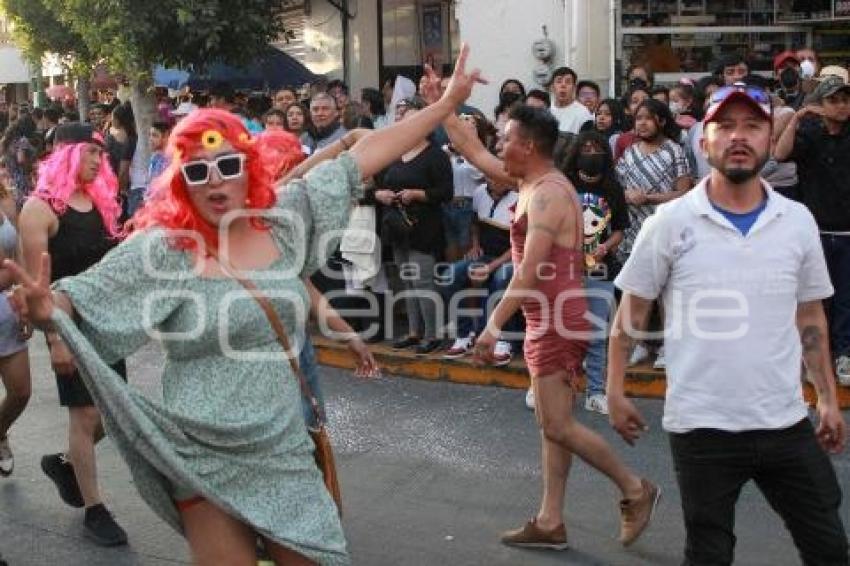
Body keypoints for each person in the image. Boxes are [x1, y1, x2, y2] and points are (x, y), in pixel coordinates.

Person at [7, 44, 484, 565]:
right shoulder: (164, 249)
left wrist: (445, 107)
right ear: (180, 183)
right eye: (196, 172)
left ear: (248, 167)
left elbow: (363, 157)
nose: (214, 181)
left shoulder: (284, 220)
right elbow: (83, 296)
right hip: (201, 453)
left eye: (227, 164)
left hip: (281, 448)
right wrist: (50, 310)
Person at [607, 83, 848, 566]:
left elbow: (808, 315)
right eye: (726, 126)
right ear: (704, 140)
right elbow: (631, 313)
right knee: (710, 550)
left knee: (828, 546)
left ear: (769, 137)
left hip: (783, 420)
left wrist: (825, 396)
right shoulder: (670, 222)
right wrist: (615, 389)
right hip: (702, 427)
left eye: (753, 126)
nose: (740, 137)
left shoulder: (797, 221)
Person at [431, 85, 659, 548]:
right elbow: (474, 150)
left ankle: (637, 489)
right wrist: (445, 101)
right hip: (550, 317)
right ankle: (550, 520)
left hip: (556, 319)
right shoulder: (533, 182)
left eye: (506, 139)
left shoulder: (548, 194)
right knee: (552, 424)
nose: (498, 145)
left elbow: (531, 271)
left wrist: (492, 327)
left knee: (556, 423)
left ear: (527, 146)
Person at [18, 122, 128, 546]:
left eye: (101, 154)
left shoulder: (101, 201)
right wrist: (55, 340)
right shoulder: (40, 209)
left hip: (108, 322)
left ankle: (66, 464)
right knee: (84, 415)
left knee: (112, 413)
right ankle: (94, 508)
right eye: (91, 153)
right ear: (66, 154)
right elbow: (36, 287)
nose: (99, 161)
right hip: (66, 324)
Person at [775, 75, 850, 385]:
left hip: (848, 231)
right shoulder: (808, 133)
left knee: (846, 298)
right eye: (834, 100)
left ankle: (844, 355)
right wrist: (796, 118)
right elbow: (779, 154)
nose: (842, 106)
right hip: (815, 230)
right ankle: (813, 356)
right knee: (815, 298)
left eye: (845, 100)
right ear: (821, 104)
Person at [374, 95, 453, 355]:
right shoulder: (395, 153)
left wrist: (418, 194)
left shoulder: (436, 155)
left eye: (413, 122)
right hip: (397, 226)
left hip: (424, 226)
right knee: (405, 282)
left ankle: (433, 334)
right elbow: (378, 184)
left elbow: (446, 192)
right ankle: (413, 331)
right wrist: (382, 194)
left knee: (423, 282)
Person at [615, 99, 692, 367]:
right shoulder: (630, 152)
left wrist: (649, 198)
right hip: (634, 230)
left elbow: (684, 193)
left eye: (648, 118)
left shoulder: (674, 152)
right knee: (638, 291)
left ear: (661, 121)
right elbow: (618, 189)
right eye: (638, 119)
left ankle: (667, 347)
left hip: (665, 228)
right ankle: (640, 343)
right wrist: (628, 195)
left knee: (666, 293)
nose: (642, 123)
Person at [559, 130, 629, 415]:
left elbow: (621, 231)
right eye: (585, 147)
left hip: (601, 269)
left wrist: (605, 248)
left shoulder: (614, 188)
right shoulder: (563, 185)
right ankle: (549, 387)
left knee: (597, 333)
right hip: (564, 269)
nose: (590, 152)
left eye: (596, 147)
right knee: (560, 332)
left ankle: (595, 392)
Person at [0, 167, 31, 478]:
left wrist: (25, 302)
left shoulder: (7, 200)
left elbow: (18, 257)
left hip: (6, 311)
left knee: (21, 392)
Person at [548, 67, 594, 134]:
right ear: (552, 87)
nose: (563, 85)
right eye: (559, 81)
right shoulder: (546, 111)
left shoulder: (583, 114)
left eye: (568, 82)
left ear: (574, 88)